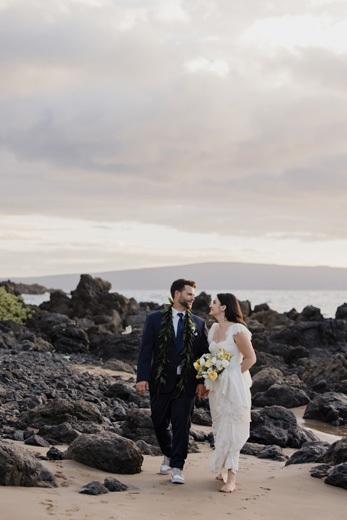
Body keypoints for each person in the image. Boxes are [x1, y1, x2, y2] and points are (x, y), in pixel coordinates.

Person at [136, 279, 209, 484]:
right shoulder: (154, 319)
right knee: (159, 422)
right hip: (160, 381)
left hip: (186, 383)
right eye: (189, 294)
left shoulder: (199, 323)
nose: (193, 298)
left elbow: (203, 355)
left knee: (181, 425)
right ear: (177, 294)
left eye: (194, 294)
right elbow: (145, 350)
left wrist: (202, 382)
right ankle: (168, 453)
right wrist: (142, 377)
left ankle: (177, 466)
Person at [206, 293, 256, 493]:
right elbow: (212, 356)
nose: (211, 305)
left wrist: (230, 375)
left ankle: (232, 478)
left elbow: (250, 358)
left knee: (233, 427)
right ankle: (222, 469)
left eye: (214, 302)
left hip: (233, 386)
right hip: (216, 386)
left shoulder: (237, 329)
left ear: (224, 307)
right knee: (219, 425)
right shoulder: (214, 328)